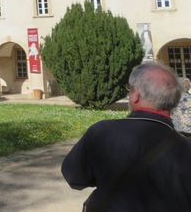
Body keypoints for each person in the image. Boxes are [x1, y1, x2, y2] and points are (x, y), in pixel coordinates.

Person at [62, 63, 191, 211]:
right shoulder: (186, 148)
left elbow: (74, 177)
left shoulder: (102, 132)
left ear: (136, 94)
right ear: (175, 102)